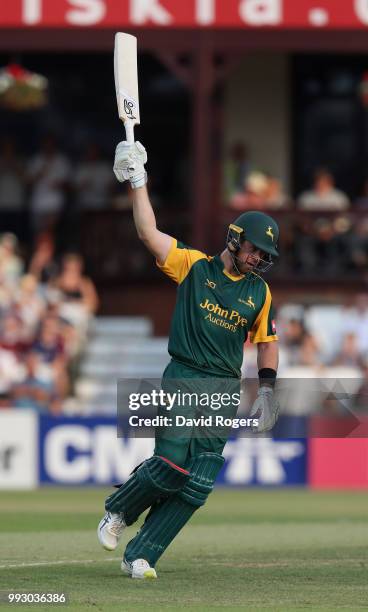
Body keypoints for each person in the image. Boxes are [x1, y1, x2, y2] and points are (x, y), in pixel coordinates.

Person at [97, 140, 280, 580]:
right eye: (254, 249)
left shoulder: (260, 292)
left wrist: (269, 389)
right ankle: (119, 511)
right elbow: (148, 233)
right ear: (235, 239)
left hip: (223, 387)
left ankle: (141, 555)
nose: (257, 259)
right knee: (172, 464)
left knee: (198, 483)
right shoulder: (195, 267)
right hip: (184, 375)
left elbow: (266, 342)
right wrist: (138, 183)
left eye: (264, 256)